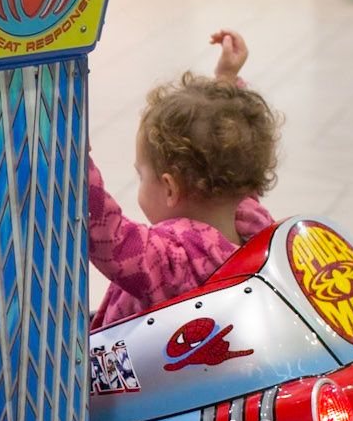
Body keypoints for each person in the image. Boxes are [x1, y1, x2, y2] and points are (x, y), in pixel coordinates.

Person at [88, 29, 279, 329]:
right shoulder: (252, 224)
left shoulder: (175, 262)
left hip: (138, 360)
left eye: (141, 175)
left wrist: (70, 157)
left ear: (170, 188)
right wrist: (227, 81)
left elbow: (111, 237)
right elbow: (230, 155)